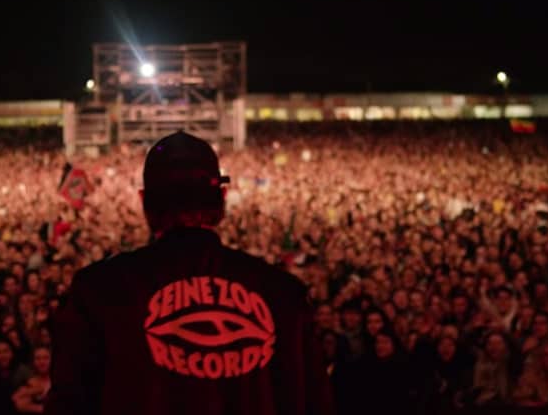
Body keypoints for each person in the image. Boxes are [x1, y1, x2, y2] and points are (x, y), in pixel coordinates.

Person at [45, 131, 333, 415]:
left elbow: (68, 403)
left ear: (145, 203)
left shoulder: (99, 291)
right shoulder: (284, 294)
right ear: (222, 198)